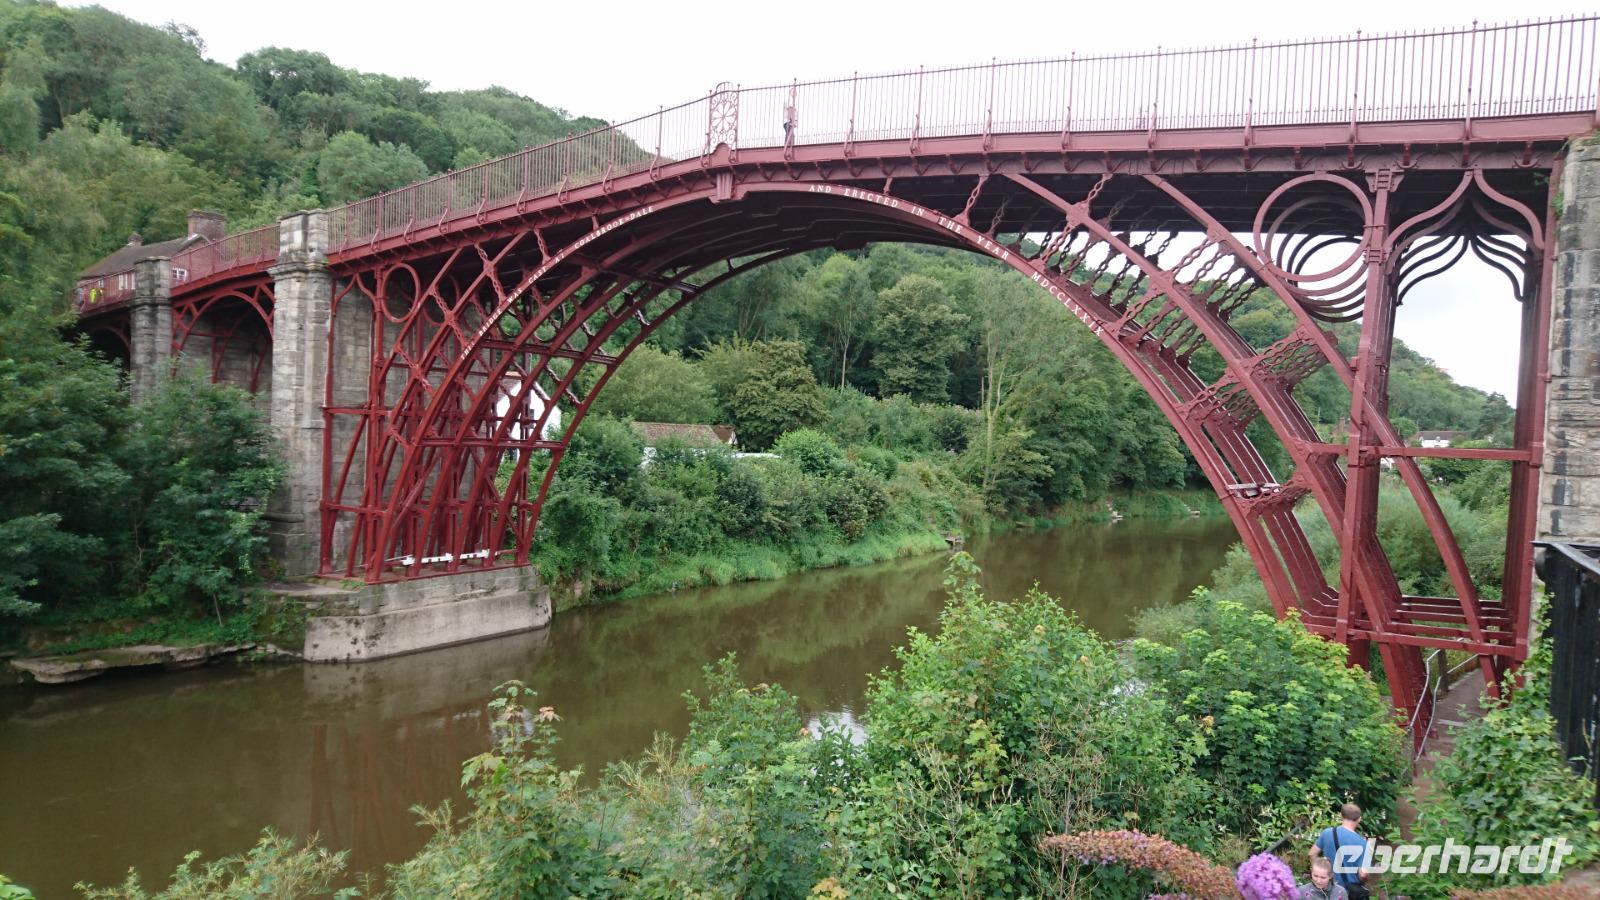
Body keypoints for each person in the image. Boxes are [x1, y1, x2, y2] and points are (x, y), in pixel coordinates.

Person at [1309, 803, 1371, 900]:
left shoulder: (1327, 833)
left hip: (1327, 887)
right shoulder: (1363, 843)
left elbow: (1312, 854)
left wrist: (1319, 874)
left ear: (1340, 816)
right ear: (1359, 819)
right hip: (1349, 892)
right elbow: (1363, 874)